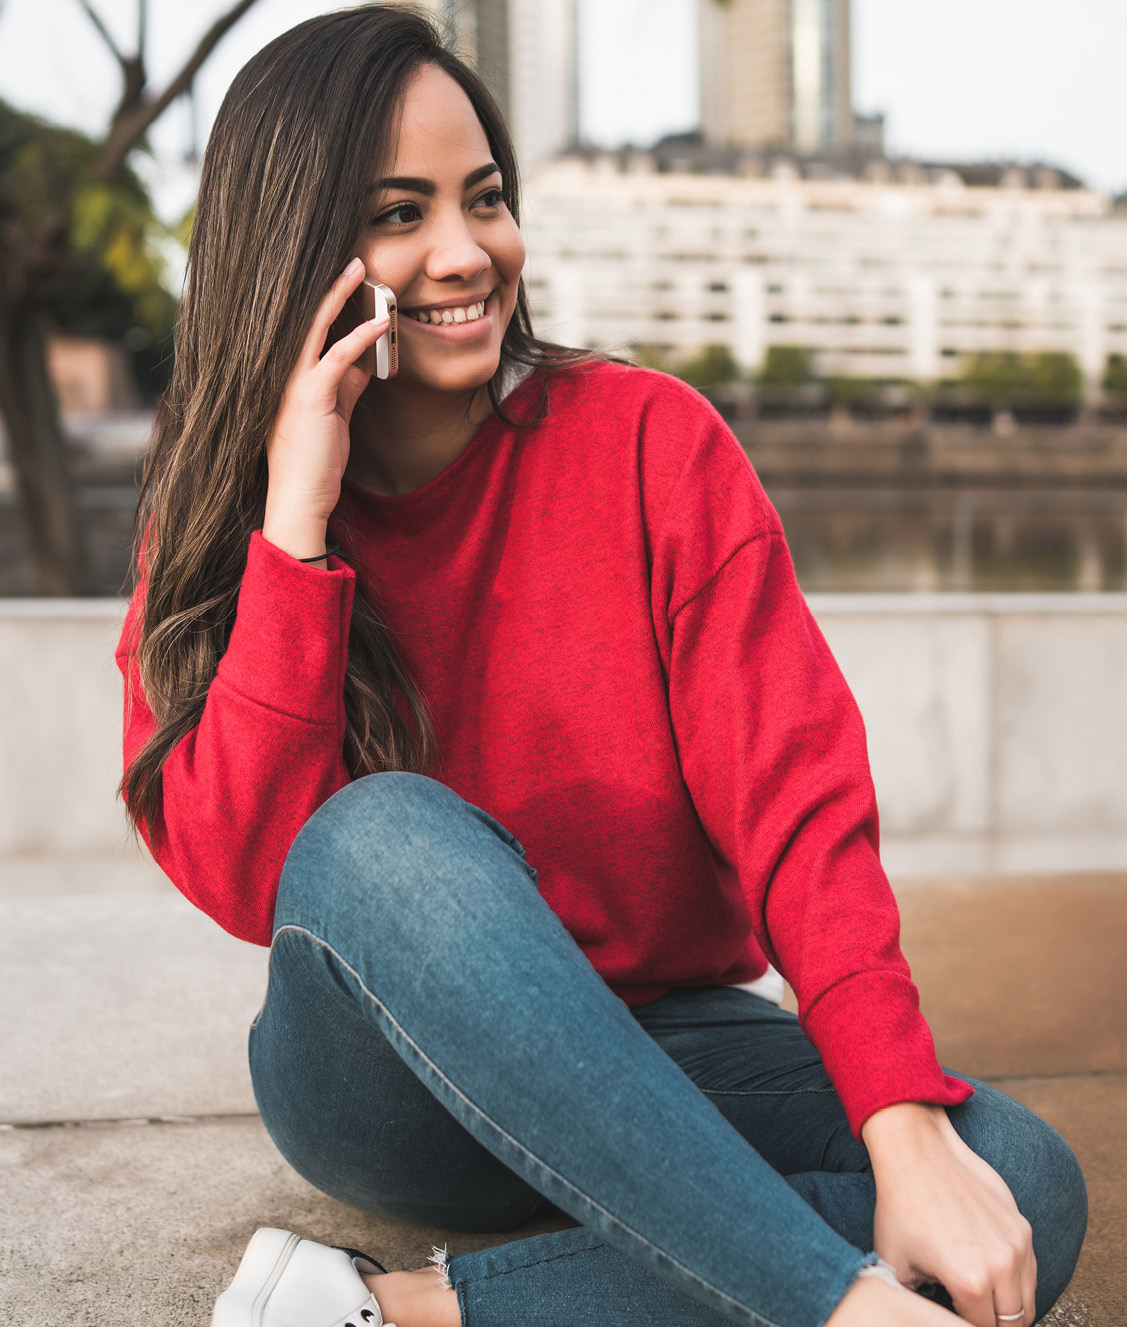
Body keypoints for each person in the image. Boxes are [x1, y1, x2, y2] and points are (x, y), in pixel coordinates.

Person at [116, 8, 1087, 1327]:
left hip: (658, 1046)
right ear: (294, 250)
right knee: (383, 836)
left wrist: (904, 1127)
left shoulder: (650, 445)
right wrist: (296, 522)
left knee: (1016, 1183)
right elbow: (248, 878)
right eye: (400, 213)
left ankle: (389, 1311)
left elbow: (797, 805)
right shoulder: (229, 519)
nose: (468, 253)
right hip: (387, 1088)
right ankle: (843, 1310)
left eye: (487, 198)